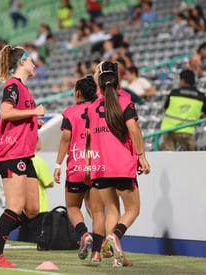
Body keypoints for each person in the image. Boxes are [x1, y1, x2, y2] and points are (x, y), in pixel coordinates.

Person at [0, 45, 45, 268]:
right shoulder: (12, 85)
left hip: (24, 154)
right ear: (21, 63)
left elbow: (17, 116)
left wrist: (33, 121)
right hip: (10, 153)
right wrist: (34, 113)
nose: (34, 63)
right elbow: (6, 113)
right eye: (31, 60)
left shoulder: (23, 89)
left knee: (33, 209)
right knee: (15, 206)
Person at [85, 66, 150, 267]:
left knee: (112, 210)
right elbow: (133, 128)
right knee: (133, 209)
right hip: (122, 166)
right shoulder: (125, 102)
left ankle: (116, 257)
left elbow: (88, 139)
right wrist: (141, 156)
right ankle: (115, 235)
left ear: (100, 87)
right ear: (118, 84)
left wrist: (88, 166)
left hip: (100, 168)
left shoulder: (92, 107)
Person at [54, 75, 106, 262]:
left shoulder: (70, 112)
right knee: (98, 211)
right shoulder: (101, 110)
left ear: (77, 93)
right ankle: (98, 252)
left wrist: (58, 163)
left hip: (77, 164)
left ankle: (83, 234)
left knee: (72, 206)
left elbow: (66, 138)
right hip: (98, 164)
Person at [159, 69, 206, 151]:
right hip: (187, 130)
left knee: (167, 157)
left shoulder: (174, 93)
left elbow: (165, 109)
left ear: (182, 80)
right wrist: (199, 117)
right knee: (189, 159)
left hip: (169, 129)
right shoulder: (201, 96)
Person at [18, 136, 53, 243]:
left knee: (23, 240)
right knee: (35, 241)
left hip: (22, 207)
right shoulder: (37, 161)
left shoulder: (20, 161)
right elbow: (49, 182)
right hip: (39, 207)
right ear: (35, 142)